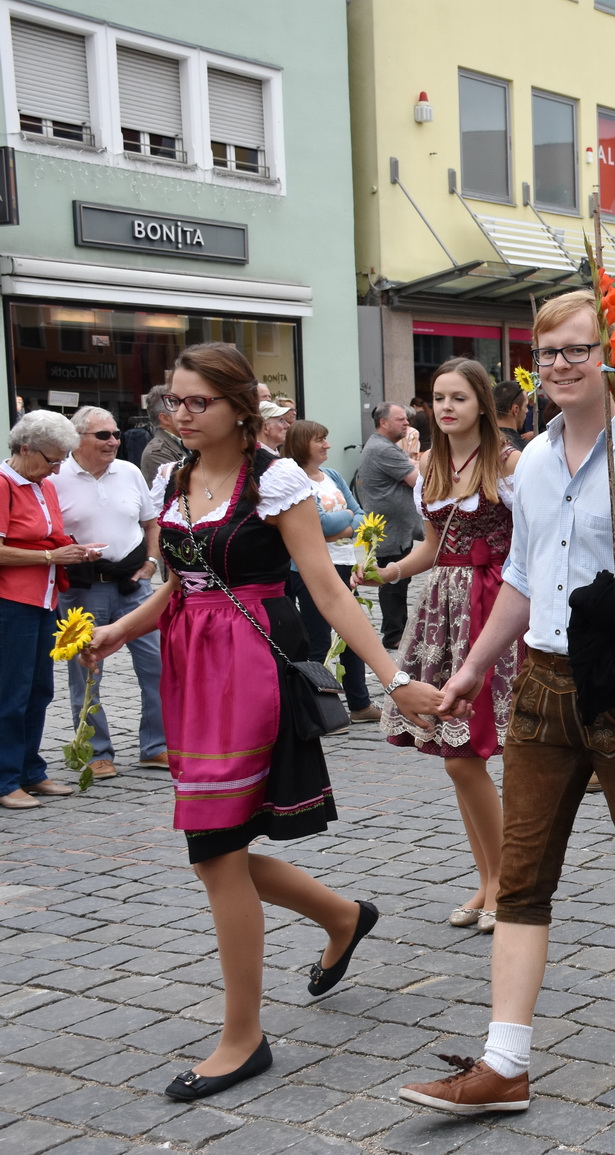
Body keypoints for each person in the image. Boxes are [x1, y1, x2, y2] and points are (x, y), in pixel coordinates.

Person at [82, 342, 441, 1100]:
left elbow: (329, 590)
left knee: (215, 846)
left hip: (248, 670)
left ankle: (243, 1035)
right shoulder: (172, 477)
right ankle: (343, 916)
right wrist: (121, 631)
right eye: (172, 402)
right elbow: (182, 584)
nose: (180, 415)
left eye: (196, 402)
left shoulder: (275, 480)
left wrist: (395, 676)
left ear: (240, 406)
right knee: (219, 848)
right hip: (192, 669)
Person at [398, 288, 615, 1113]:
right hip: (539, 683)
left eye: (576, 349)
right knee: (524, 872)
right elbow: (527, 582)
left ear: (611, 355)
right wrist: (470, 667)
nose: (561, 366)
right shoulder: (529, 462)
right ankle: (505, 1062)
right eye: (549, 353)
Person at [367, 359, 519, 935]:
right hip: (444, 610)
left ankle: (505, 881)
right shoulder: (427, 463)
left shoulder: (509, 463)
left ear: (481, 401)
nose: (447, 407)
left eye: (459, 397)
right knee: (456, 761)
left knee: (467, 755)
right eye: (438, 398)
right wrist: (390, 572)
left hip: (494, 608)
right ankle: (488, 879)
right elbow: (433, 547)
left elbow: (533, 544)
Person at [55, 406, 168, 780]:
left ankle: (156, 747)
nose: (114, 442)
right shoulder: (57, 477)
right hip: (84, 589)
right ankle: (96, 751)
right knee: (87, 673)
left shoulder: (130, 471)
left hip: (134, 586)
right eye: (104, 435)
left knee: (157, 666)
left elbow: (151, 523)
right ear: (79, 439)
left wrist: (152, 563)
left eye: (116, 434)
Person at [0, 411, 87, 810]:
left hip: (44, 598)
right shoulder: (4, 484)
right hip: (11, 602)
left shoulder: (42, 485)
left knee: (39, 689)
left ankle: (30, 770)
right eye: (51, 459)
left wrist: (74, 549)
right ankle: (5, 779)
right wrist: (52, 554)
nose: (56, 469)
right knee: (11, 693)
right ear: (24, 449)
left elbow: (49, 536)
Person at [284, 421, 376, 725]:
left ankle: (359, 703)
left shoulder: (333, 476)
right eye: (320, 440)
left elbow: (359, 513)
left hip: (344, 563)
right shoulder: (297, 482)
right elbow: (321, 526)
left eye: (326, 438)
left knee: (353, 634)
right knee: (319, 640)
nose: (327, 445)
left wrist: (344, 523)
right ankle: (318, 710)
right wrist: (343, 521)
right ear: (301, 445)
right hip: (310, 569)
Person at [356, 403, 422, 650]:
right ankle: (394, 633)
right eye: (401, 419)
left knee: (398, 580)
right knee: (393, 579)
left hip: (392, 527)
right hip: (389, 529)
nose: (406, 423)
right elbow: (416, 480)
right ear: (384, 423)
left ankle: (397, 629)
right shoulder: (383, 449)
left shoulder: (382, 446)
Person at [140, 384, 186, 481]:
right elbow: (181, 488)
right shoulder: (156, 453)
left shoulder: (189, 441)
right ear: (165, 419)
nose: (186, 415)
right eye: (178, 409)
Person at [493, 380, 528, 453]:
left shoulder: (480, 442)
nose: (527, 411)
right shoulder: (525, 450)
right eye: (525, 406)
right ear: (516, 409)